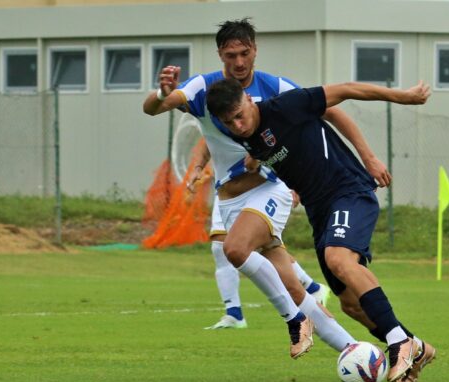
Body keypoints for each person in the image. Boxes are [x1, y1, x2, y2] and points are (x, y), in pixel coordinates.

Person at [143, 18, 356, 358]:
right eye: (231, 55)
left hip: (270, 189)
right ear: (220, 55)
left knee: (235, 250)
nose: (239, 62)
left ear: (255, 50)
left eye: (244, 53)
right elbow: (154, 109)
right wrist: (162, 94)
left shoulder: (275, 87)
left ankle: (293, 320)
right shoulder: (204, 88)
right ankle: (353, 348)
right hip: (229, 199)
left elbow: (325, 111)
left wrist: (366, 159)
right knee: (290, 284)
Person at [205, 77, 436, 382]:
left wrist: (402, 99)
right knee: (350, 304)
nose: (237, 125)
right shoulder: (249, 136)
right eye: (228, 122)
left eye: (239, 115)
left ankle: (399, 342)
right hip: (320, 211)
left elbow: (346, 91)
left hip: (348, 190)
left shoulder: (285, 106)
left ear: (249, 99)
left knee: (339, 259)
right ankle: (418, 347)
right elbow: (276, 149)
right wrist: (257, 161)